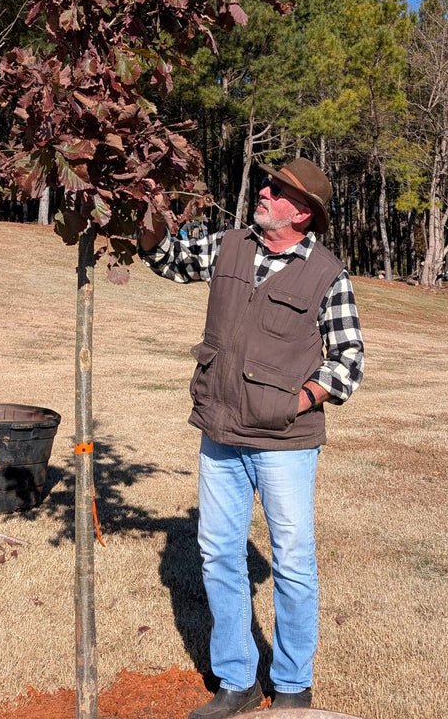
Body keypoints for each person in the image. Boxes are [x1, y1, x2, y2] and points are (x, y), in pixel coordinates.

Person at [139, 158, 365, 717]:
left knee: (291, 560)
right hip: (221, 432)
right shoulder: (230, 245)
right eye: (268, 184)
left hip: (286, 443)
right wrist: (146, 216)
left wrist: (296, 402)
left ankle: (292, 685)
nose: (263, 192)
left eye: (278, 190)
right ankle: (236, 681)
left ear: (303, 213)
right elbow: (169, 259)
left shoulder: (328, 276)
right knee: (217, 555)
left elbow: (349, 361)